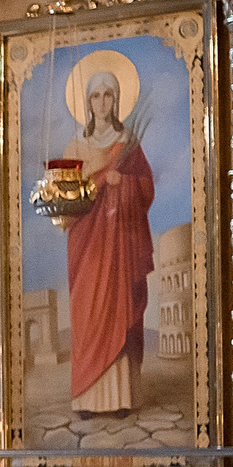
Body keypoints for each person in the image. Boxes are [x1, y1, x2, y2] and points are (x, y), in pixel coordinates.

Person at [59, 66, 156, 418]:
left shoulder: (127, 143)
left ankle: (121, 398)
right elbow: (65, 193)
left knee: (119, 307)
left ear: (116, 100)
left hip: (120, 242)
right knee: (87, 311)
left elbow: (146, 189)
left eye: (108, 95)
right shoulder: (76, 145)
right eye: (95, 96)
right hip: (87, 241)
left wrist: (124, 182)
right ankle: (87, 395)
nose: (102, 102)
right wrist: (102, 180)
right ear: (87, 102)